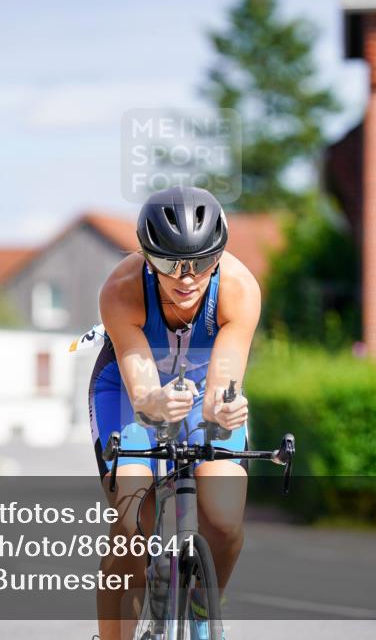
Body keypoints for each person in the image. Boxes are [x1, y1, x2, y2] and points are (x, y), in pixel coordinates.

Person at [89, 186, 261, 640]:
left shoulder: (239, 289)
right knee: (131, 523)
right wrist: (153, 403)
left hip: (204, 384)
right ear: (148, 258)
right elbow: (142, 389)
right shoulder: (121, 290)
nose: (187, 279)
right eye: (170, 265)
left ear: (219, 255)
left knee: (224, 519)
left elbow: (223, 383)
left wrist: (224, 406)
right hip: (129, 390)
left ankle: (204, 607)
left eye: (202, 264)